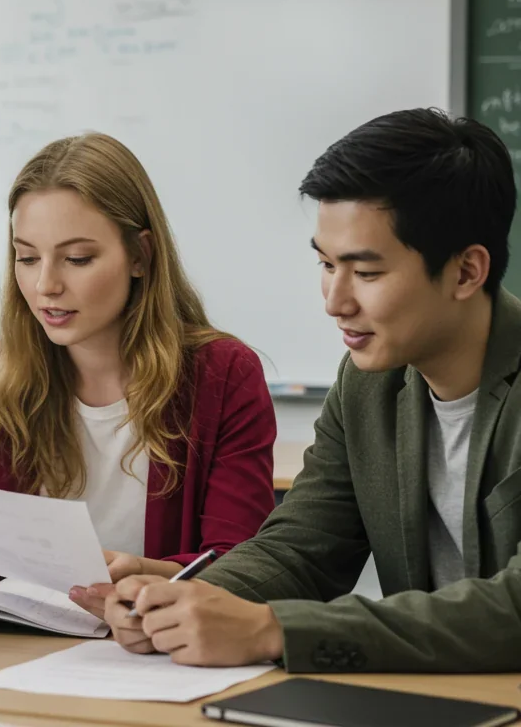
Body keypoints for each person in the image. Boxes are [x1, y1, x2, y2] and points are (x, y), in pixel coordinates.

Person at [105, 108, 521, 673]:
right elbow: (301, 548)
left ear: (467, 272)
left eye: (366, 273)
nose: (334, 300)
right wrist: (185, 599)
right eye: (326, 264)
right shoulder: (366, 385)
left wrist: (276, 629)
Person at [0, 133, 277, 616]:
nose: (46, 284)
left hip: (162, 655)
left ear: (140, 255)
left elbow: (239, 564)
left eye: (78, 259)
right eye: (27, 258)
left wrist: (141, 574)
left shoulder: (224, 376)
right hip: (17, 657)